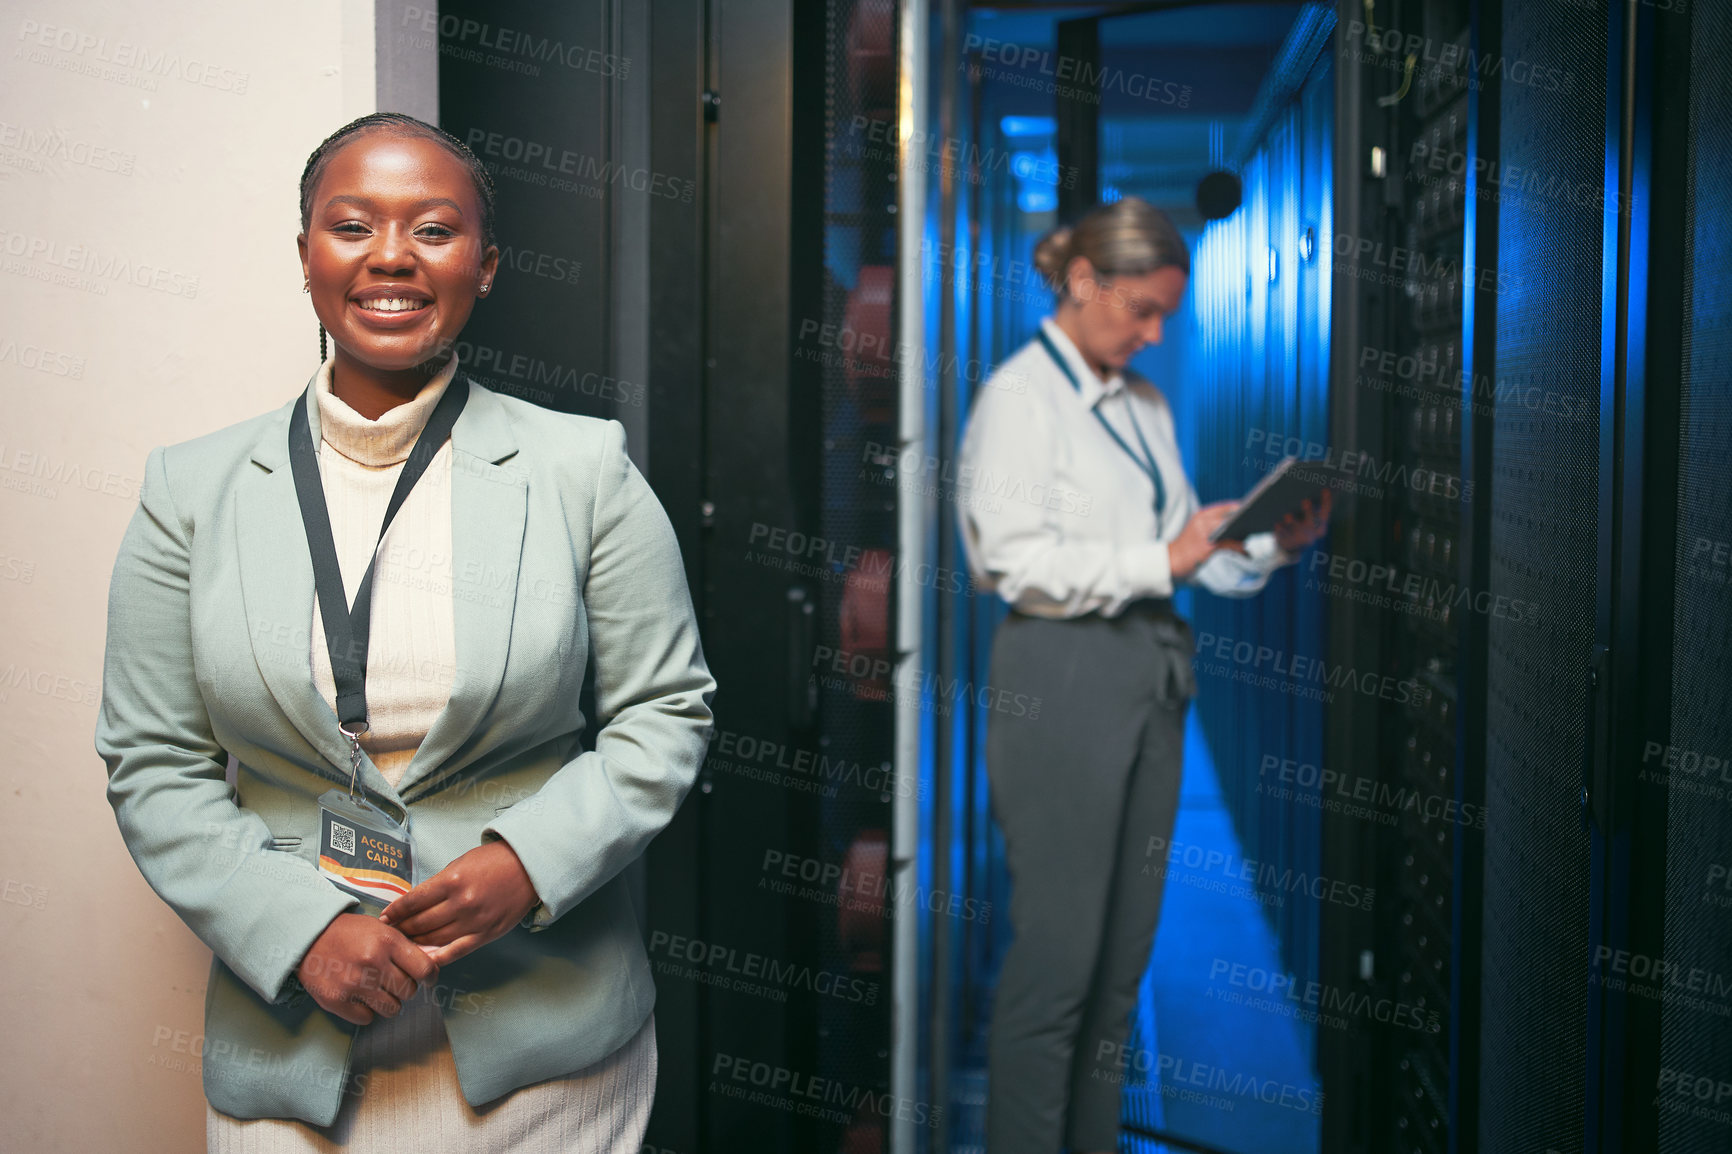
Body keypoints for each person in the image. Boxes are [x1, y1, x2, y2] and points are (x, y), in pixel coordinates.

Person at [94, 112, 715, 1152]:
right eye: (352, 224)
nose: (392, 255)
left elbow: (666, 710)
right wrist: (299, 932)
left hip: (547, 1048)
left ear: (487, 264)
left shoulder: (583, 471)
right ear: (306, 256)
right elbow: (152, 759)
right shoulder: (189, 492)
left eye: (434, 229)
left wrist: (531, 860)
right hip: (291, 1039)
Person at [957, 195, 1331, 1153]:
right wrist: (1159, 559)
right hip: (1062, 682)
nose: (1157, 334)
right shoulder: (1018, 400)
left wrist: (1266, 543)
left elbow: (1187, 550)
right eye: (1142, 311)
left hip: (1152, 679)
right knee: (1056, 977)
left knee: (1120, 974)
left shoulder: (1146, 403)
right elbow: (1010, 560)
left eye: (1167, 315)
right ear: (1084, 283)